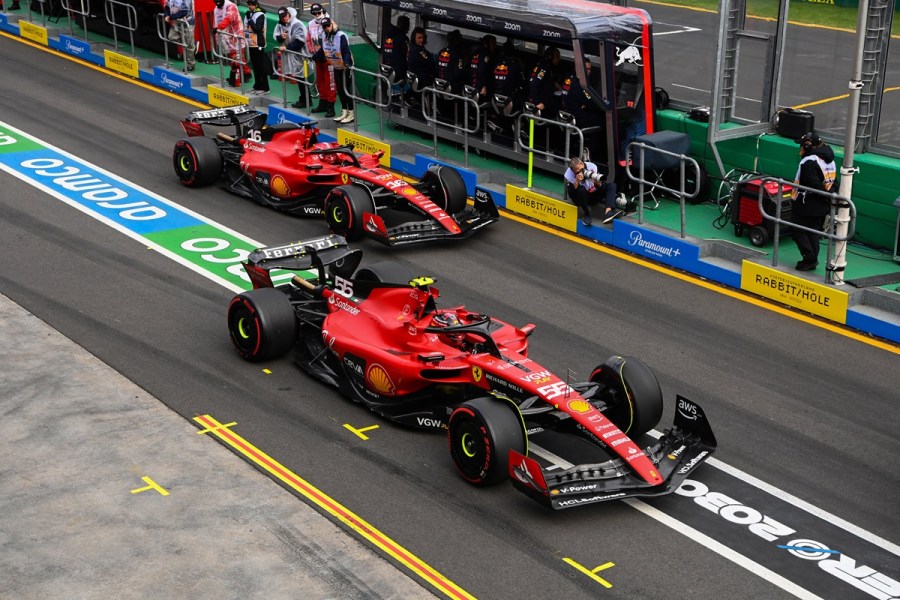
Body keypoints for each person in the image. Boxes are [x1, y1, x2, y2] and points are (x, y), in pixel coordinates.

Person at [791, 132, 837, 271]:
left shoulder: (809, 161)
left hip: (807, 203)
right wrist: (830, 197)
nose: (800, 148)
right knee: (813, 232)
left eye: (802, 145)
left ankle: (809, 258)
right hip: (822, 204)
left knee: (796, 229)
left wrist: (823, 195)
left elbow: (811, 183)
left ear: (808, 145)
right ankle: (811, 259)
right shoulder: (830, 160)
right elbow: (834, 182)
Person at [559, 57, 606, 161]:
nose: (588, 72)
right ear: (578, 69)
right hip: (576, 119)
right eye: (586, 69)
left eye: (590, 69)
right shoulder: (581, 85)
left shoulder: (569, 79)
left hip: (568, 115)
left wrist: (585, 104)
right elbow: (593, 104)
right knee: (602, 121)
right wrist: (590, 105)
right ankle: (589, 152)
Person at [313, 17, 355, 123]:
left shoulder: (340, 36)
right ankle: (344, 111)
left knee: (346, 90)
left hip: (345, 67)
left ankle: (351, 113)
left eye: (328, 25)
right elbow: (323, 49)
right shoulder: (324, 35)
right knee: (340, 90)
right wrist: (314, 56)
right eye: (324, 27)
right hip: (335, 66)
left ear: (332, 25)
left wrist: (347, 63)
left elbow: (346, 50)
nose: (326, 28)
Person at [564, 156, 621, 226]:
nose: (580, 172)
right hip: (579, 198)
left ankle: (608, 212)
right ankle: (587, 215)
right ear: (573, 171)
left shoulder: (592, 166)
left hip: (592, 194)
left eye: (581, 170)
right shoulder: (569, 174)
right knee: (581, 190)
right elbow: (573, 192)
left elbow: (597, 186)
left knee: (611, 185)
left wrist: (596, 183)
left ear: (582, 163)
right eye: (577, 172)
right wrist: (577, 181)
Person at [274, 6, 307, 109]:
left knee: (302, 78)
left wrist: (286, 47)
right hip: (292, 55)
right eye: (282, 17)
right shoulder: (282, 24)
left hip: (301, 55)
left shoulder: (297, 24)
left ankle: (306, 100)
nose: (285, 18)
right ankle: (304, 99)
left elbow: (300, 42)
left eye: (286, 16)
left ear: (289, 14)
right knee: (299, 77)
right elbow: (276, 36)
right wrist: (281, 37)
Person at [307, 3, 336, 117]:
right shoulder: (310, 24)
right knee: (320, 82)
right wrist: (312, 51)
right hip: (317, 58)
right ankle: (322, 103)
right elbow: (308, 39)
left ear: (323, 11)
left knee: (330, 83)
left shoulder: (330, 23)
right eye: (315, 13)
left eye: (319, 13)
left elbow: (332, 41)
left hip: (329, 59)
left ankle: (331, 107)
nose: (317, 15)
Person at [213, 0, 251, 86]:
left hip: (237, 35)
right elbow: (215, 22)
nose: (217, 2)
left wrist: (219, 27)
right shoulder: (216, 9)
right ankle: (234, 74)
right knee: (231, 57)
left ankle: (246, 74)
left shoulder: (231, 6)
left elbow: (229, 18)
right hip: (227, 37)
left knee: (238, 57)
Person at [434, 29, 466, 121]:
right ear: (457, 41)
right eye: (460, 39)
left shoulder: (441, 52)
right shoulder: (457, 55)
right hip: (451, 90)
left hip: (439, 88)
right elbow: (458, 74)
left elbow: (436, 69)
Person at [528, 46, 562, 120]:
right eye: (557, 57)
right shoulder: (543, 69)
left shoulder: (544, 65)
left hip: (544, 97)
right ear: (550, 57)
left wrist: (560, 88)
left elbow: (550, 81)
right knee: (560, 109)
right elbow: (533, 84)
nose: (559, 59)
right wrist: (537, 102)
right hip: (542, 102)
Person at [243, 0, 268, 95]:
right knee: (255, 66)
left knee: (261, 66)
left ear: (256, 5)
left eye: (252, 5)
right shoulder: (249, 14)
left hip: (259, 44)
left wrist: (250, 20)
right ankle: (257, 86)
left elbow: (257, 29)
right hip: (251, 43)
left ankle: (265, 88)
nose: (250, 6)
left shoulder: (260, 15)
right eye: (249, 4)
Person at [381, 14, 410, 97]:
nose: (408, 27)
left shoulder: (387, 35)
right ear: (404, 25)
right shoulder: (403, 38)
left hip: (386, 69)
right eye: (408, 24)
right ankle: (407, 99)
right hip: (398, 73)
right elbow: (406, 56)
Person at [405, 26, 434, 107]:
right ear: (414, 38)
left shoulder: (411, 47)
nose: (422, 40)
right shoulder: (420, 51)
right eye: (419, 38)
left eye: (423, 37)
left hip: (414, 78)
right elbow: (430, 63)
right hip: (421, 80)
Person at [164, 0, 195, 72]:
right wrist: (166, 15)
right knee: (171, 37)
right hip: (177, 22)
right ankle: (191, 44)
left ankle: (190, 65)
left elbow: (184, 12)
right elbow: (167, 7)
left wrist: (170, 17)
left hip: (188, 22)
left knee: (188, 46)